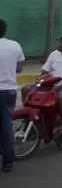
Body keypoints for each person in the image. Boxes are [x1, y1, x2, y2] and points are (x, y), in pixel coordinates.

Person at [0, 19, 25, 173]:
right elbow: (19, 69)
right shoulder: (15, 45)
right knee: (6, 124)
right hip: (8, 91)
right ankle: (8, 161)